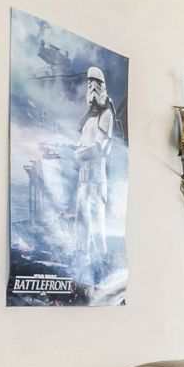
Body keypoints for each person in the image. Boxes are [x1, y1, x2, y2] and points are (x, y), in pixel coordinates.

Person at [72, 65, 115, 274]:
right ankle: (82, 256)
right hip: (84, 177)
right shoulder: (89, 117)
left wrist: (77, 154)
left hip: (97, 176)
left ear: (101, 86)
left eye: (95, 84)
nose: (91, 88)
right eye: (88, 84)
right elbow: (82, 143)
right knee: (82, 217)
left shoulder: (106, 115)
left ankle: (101, 260)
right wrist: (75, 151)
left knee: (97, 220)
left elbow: (98, 148)